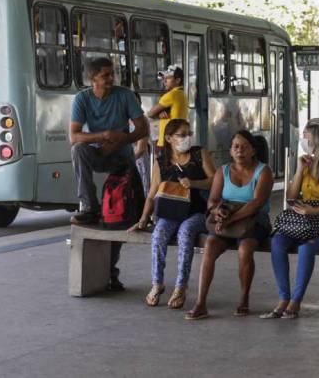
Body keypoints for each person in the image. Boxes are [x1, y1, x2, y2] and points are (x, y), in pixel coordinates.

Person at [69, 57, 149, 290]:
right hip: (98, 150)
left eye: (112, 74)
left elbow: (142, 127)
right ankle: (89, 207)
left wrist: (122, 140)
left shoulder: (124, 95)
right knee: (79, 150)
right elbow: (74, 136)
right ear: (92, 78)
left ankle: (111, 273)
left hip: (122, 160)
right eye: (105, 75)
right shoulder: (82, 99)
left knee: (119, 219)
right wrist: (103, 137)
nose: (111, 78)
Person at [263, 118, 319, 319]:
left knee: (307, 246)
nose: (303, 140)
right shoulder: (306, 163)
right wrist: (300, 170)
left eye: (306, 136)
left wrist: (313, 211)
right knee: (277, 242)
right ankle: (283, 297)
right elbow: (291, 197)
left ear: (318, 139)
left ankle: (296, 301)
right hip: (305, 220)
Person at [185, 130, 273, 320]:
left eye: (244, 147)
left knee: (245, 249)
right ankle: (201, 303)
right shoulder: (222, 171)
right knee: (209, 246)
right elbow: (213, 200)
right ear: (231, 151)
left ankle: (244, 298)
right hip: (226, 220)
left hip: (254, 221)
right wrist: (218, 212)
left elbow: (256, 203)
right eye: (235, 147)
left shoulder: (263, 171)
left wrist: (230, 220)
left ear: (253, 151)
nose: (239, 150)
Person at [129, 119, 215, 308]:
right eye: (182, 134)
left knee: (186, 233)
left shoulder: (199, 154)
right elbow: (152, 194)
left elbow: (215, 181)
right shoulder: (162, 162)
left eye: (188, 134)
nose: (187, 138)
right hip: (170, 212)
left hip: (197, 212)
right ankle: (157, 283)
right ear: (169, 138)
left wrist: (194, 184)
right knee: (158, 234)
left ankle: (180, 287)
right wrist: (143, 219)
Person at [147, 65, 188, 150]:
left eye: (168, 78)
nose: (164, 81)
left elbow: (150, 113)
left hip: (167, 140)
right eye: (164, 78)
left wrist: (158, 115)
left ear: (177, 80)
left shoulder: (171, 95)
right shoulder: (182, 94)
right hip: (177, 139)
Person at [131, 92, 151, 195]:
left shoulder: (143, 121)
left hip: (138, 161)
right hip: (125, 161)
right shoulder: (122, 119)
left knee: (141, 192)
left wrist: (126, 162)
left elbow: (141, 149)